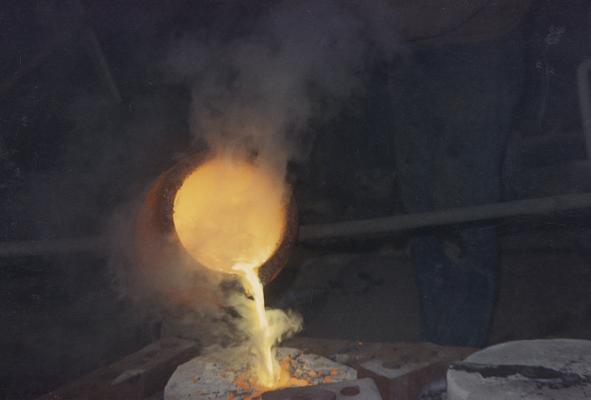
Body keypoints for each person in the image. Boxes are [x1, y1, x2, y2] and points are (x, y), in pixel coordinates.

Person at [385, 0, 531, 347]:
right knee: (420, 203)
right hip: (407, 48)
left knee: (463, 205)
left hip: (479, 43)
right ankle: (438, 347)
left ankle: (459, 357)